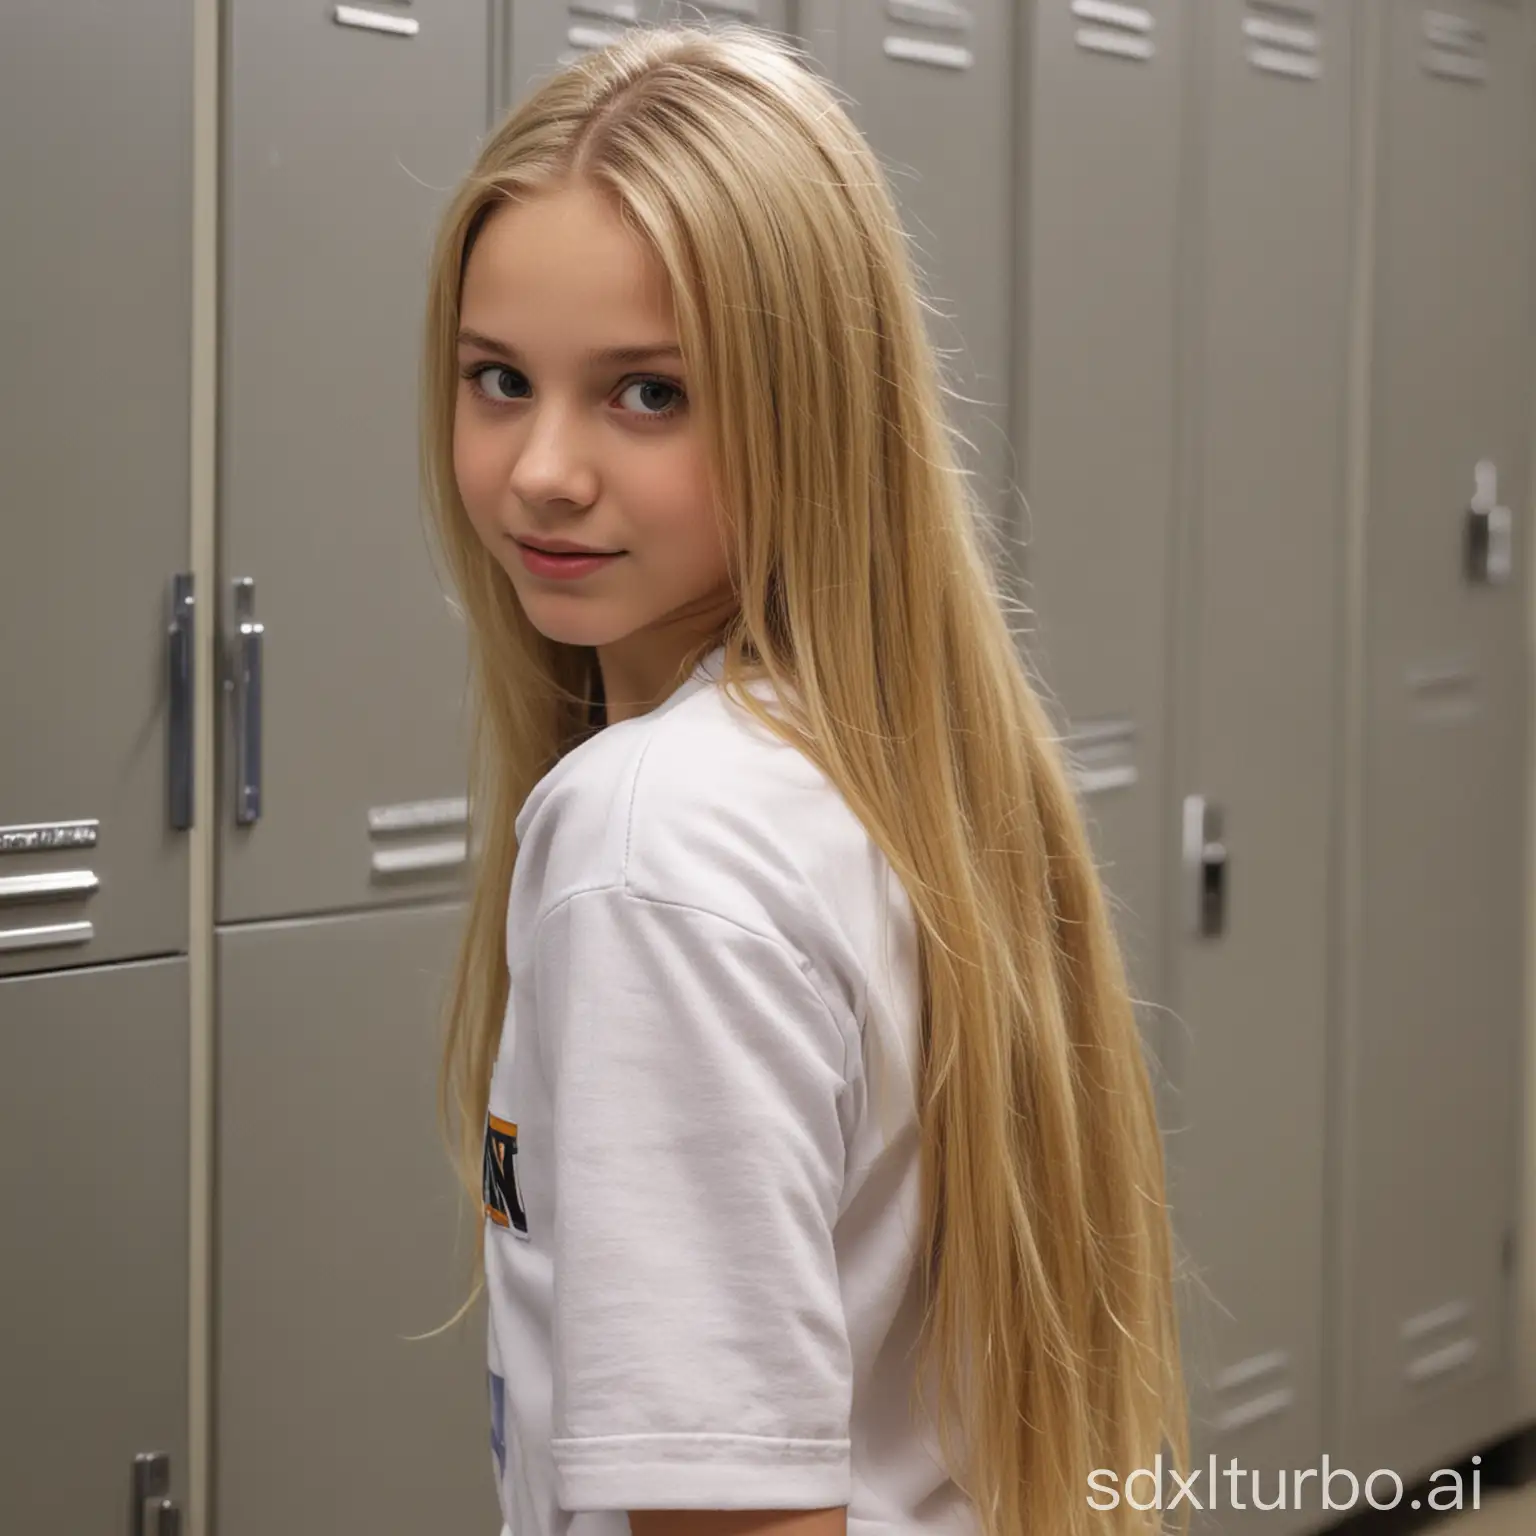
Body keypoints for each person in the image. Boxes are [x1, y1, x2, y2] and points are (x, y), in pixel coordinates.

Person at [421, 22, 1189, 1536]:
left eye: (650, 395)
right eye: (499, 379)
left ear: (812, 406)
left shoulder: (655, 838)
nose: (542, 471)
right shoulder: (873, 768)